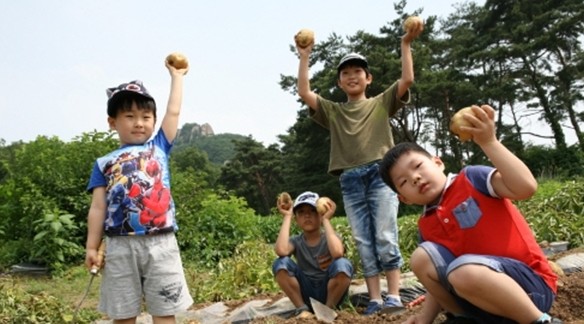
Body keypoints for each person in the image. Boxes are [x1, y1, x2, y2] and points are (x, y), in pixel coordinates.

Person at [378, 105, 560, 323]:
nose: (415, 178)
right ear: (404, 198)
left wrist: (488, 142)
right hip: (482, 301)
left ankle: (538, 320)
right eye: (404, 181)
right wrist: (424, 317)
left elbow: (525, 187)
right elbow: (438, 281)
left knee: (461, 272)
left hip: (531, 289)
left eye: (417, 166)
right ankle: (464, 318)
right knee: (422, 259)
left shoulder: (472, 179)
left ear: (438, 162)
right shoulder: (426, 226)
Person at [295, 19, 424, 315]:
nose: (352, 76)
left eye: (357, 72)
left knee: (385, 234)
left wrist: (406, 44)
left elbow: (407, 80)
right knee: (364, 239)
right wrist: (304, 57)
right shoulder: (334, 111)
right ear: (340, 82)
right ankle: (375, 298)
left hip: (381, 174)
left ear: (369, 79)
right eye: (345, 73)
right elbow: (304, 92)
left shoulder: (381, 102)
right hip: (350, 179)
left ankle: (393, 295)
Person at [84, 59, 193, 324]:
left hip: (161, 242)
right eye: (129, 116)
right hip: (119, 245)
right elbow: (98, 208)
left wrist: (177, 76)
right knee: (123, 314)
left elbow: (174, 112)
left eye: (146, 117)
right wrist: (92, 246)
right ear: (112, 122)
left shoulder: (159, 146)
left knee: (165, 311)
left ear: (154, 121)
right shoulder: (103, 163)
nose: (139, 123)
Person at [272, 191, 354, 318]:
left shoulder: (330, 237)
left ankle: (327, 310)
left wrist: (326, 219)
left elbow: (338, 253)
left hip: (329, 292)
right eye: (301, 212)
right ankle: (302, 308)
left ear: (320, 214)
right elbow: (281, 251)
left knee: (343, 264)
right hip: (306, 291)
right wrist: (287, 216)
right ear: (296, 219)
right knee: (280, 263)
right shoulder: (296, 241)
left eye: (312, 211)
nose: (307, 216)